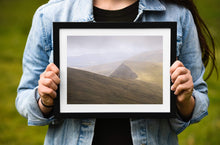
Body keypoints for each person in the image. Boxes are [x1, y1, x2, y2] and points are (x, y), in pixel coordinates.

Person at [16, 0, 217, 145]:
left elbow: (199, 99)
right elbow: (24, 96)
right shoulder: (50, 14)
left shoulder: (178, 14)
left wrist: (185, 101)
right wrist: (45, 101)